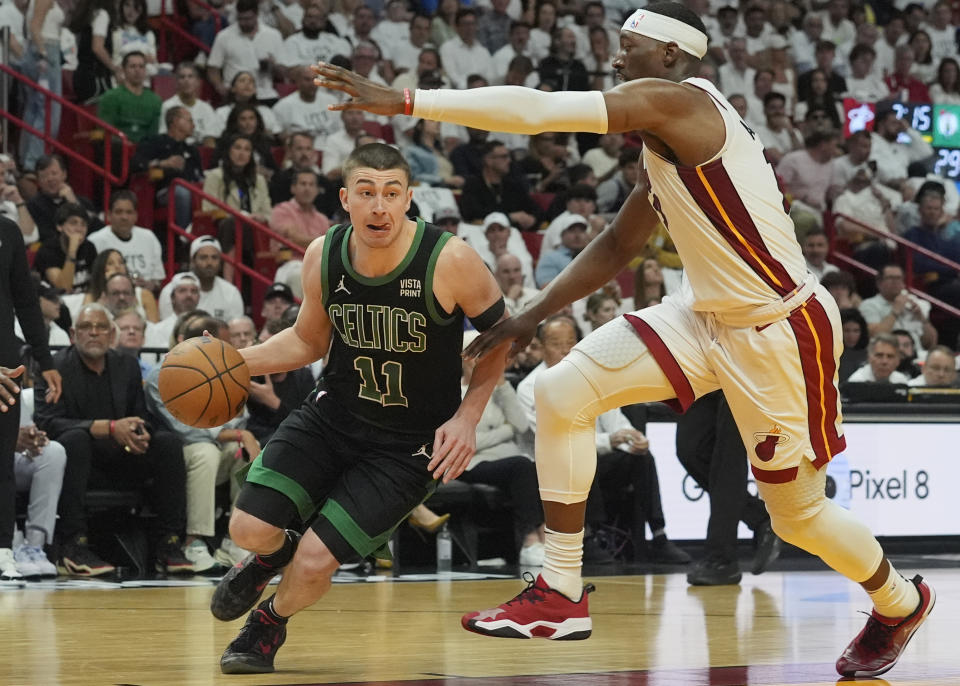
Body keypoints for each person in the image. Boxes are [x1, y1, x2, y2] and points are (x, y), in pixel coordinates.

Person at [312, 3, 936, 675]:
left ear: (669, 57)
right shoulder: (664, 142)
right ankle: (559, 590)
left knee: (799, 519)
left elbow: (540, 111)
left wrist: (405, 100)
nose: (615, 59)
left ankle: (900, 601)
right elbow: (619, 242)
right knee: (559, 392)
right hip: (705, 315)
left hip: (778, 328)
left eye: (627, 47)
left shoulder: (683, 108)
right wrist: (528, 315)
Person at [207, 143, 510, 674]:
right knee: (247, 530)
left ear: (409, 198)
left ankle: (268, 623)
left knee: (318, 559)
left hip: (407, 446)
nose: (379, 206)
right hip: (333, 417)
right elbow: (306, 340)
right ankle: (269, 558)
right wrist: (233, 362)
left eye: (392, 194)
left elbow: (500, 339)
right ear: (346, 199)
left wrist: (467, 416)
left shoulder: (451, 259)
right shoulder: (323, 254)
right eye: (366, 193)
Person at [33, 303, 191, 576]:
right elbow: (48, 423)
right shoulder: (54, 368)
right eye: (85, 327)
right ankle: (73, 546)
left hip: (123, 457)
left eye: (101, 327)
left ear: (111, 334)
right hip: (79, 464)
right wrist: (108, 427)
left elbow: (141, 414)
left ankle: (168, 542)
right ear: (72, 334)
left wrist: (139, 435)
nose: (93, 333)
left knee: (167, 443)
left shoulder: (126, 365)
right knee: (73, 440)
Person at [145, 315, 255, 572]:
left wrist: (238, 434)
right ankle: (193, 543)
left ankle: (235, 540)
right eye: (223, 344)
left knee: (244, 452)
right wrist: (235, 433)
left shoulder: (225, 369)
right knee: (207, 451)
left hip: (215, 450)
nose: (229, 351)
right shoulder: (161, 376)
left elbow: (240, 421)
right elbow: (187, 429)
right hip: (176, 455)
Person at [1, 216, 62, 582]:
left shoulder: (7, 231)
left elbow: (25, 301)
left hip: (6, 363)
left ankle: (4, 549)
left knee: (2, 462)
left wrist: (46, 359)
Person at [459, 329, 544, 566]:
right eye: (479, 357)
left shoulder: (499, 389)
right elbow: (469, 440)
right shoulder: (455, 393)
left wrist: (502, 384)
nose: (484, 362)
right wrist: (506, 430)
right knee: (521, 466)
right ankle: (530, 541)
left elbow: (521, 424)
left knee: (541, 467)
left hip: (510, 459)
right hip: (472, 462)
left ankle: (548, 538)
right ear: (466, 359)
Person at [678, 391, 779, 586]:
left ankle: (722, 559)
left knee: (728, 460)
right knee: (690, 450)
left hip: (745, 373)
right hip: (708, 372)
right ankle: (760, 518)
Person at [87, 190, 166, 295]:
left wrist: (151, 284)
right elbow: (91, 282)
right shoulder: (94, 241)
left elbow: (158, 280)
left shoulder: (149, 237)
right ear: (109, 215)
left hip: (143, 297)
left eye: (129, 212)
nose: (124, 217)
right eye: (119, 212)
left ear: (136, 216)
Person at [157, 236, 244, 322]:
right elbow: (167, 328)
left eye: (214, 257)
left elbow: (235, 330)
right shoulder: (172, 290)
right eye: (203, 257)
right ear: (192, 262)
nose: (209, 263)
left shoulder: (231, 293)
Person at [83, 248, 159, 323]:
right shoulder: (92, 297)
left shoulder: (144, 295)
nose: (117, 266)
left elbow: (154, 328)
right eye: (110, 263)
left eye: (121, 262)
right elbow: (86, 324)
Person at [33, 203, 96, 294]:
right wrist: (72, 249)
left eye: (83, 224)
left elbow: (96, 282)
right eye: (73, 223)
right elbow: (64, 287)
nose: (79, 229)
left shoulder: (89, 247)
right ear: (59, 226)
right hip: (58, 302)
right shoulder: (48, 250)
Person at [844, 333, 910, 385]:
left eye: (890, 356)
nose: (884, 361)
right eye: (879, 355)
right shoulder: (856, 382)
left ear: (898, 361)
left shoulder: (901, 381)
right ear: (869, 358)